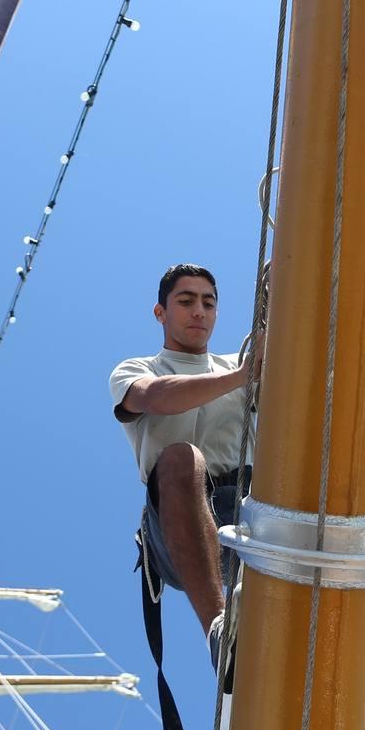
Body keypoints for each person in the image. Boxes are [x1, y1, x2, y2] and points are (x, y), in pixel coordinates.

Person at [109, 263, 262, 684]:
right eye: (186, 301)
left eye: (208, 303)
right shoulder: (137, 369)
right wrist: (241, 377)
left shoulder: (243, 361)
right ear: (161, 312)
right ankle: (220, 631)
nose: (199, 311)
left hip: (253, 513)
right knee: (180, 458)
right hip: (180, 527)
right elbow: (154, 398)